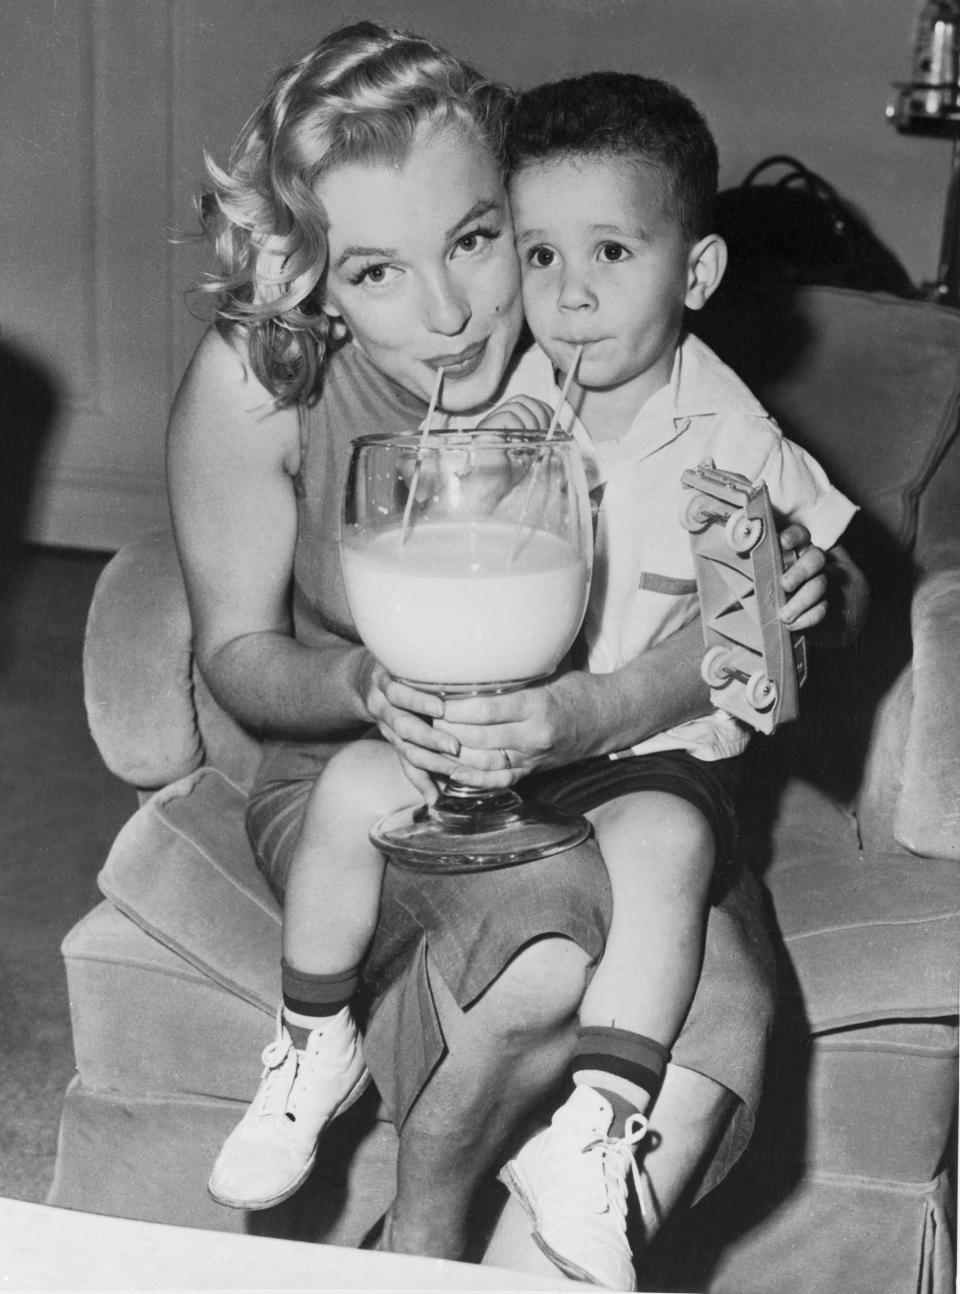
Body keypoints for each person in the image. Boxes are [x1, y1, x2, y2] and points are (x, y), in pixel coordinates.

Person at [166, 20, 865, 1284]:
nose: (448, 314)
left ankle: (483, 1250)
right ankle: (422, 1230)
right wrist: (364, 688)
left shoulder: (584, 331)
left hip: (622, 761)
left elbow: (807, 585)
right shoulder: (259, 384)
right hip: (359, 764)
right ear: (313, 277)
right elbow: (235, 655)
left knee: (727, 1015)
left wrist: (777, 605)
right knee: (551, 950)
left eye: (479, 241)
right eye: (375, 271)